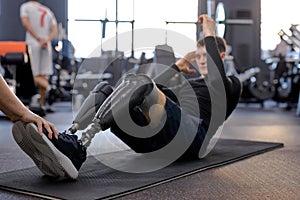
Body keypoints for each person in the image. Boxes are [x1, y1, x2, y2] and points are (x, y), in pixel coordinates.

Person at [12, 14, 242, 179]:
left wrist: (209, 33)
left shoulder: (230, 84)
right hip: (158, 141)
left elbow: (217, 81)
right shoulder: (190, 84)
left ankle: (80, 146)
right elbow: (153, 90)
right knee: (106, 89)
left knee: (140, 82)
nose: (202, 60)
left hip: (193, 140)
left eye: (207, 56)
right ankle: (70, 140)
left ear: (220, 56)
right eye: (199, 55)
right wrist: (177, 67)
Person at [20, 0, 57, 112]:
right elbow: (54, 30)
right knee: (43, 75)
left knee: (33, 75)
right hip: (46, 45)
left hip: (34, 44)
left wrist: (38, 39)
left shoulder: (25, 7)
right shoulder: (47, 10)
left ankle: (49, 88)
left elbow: (25, 23)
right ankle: (41, 104)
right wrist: (46, 40)